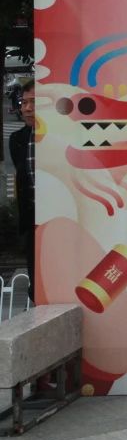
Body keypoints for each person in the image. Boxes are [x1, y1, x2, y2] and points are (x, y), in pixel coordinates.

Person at [8, 80, 35, 302]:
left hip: (62, 220)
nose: (27, 108)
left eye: (33, 102)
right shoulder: (17, 139)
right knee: (37, 284)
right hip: (33, 222)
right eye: (24, 102)